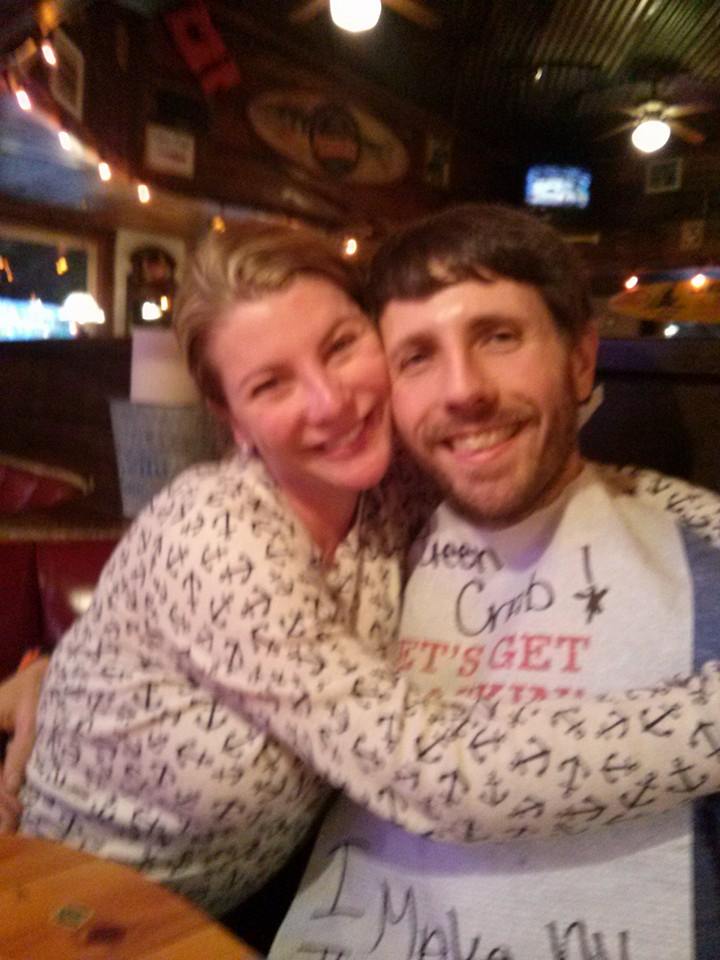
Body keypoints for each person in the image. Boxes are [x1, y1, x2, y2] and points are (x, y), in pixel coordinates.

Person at [2, 217, 720, 938]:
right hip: (64, 905)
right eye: (271, 383)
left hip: (227, 914)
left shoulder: (386, 487)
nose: (330, 402)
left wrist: (699, 513)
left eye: (340, 346)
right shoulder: (216, 532)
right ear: (234, 420)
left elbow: (573, 473)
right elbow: (433, 774)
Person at [267, 204, 720, 959]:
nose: (463, 390)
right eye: (416, 356)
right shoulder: (359, 549)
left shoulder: (698, 559)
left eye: (499, 337)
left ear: (580, 360)